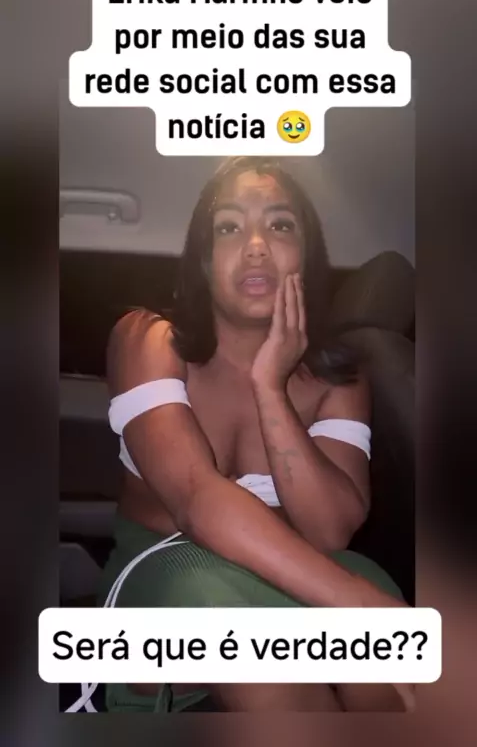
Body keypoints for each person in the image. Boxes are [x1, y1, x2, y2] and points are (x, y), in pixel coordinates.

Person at [100, 156, 413, 712]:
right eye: (228, 227)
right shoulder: (147, 339)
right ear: (203, 261)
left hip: (305, 567)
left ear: (306, 257)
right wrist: (357, 606)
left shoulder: (340, 379)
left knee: (391, 672)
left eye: (280, 224)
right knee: (252, 645)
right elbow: (196, 497)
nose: (256, 245)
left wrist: (271, 387)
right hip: (170, 567)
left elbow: (329, 531)